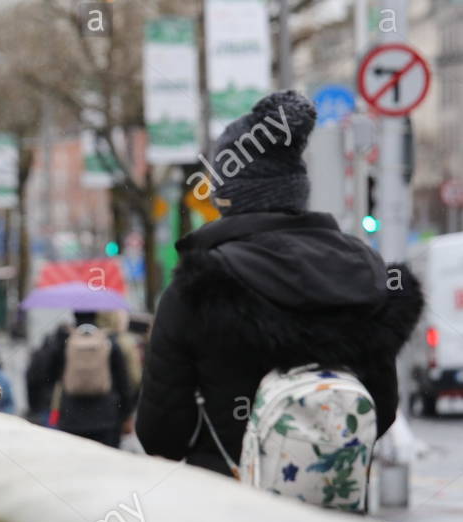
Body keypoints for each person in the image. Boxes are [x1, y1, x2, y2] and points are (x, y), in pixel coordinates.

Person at [135, 90, 423, 474]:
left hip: (229, 500)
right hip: (332, 507)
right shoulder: (363, 272)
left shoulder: (197, 289)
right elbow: (381, 411)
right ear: (299, 192)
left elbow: (161, 436)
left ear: (228, 200)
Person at [34, 311, 133, 446]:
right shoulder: (108, 341)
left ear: (74, 314)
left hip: (71, 416)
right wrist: (125, 414)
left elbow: (46, 376)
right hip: (105, 418)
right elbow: (124, 383)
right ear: (96, 314)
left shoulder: (64, 340)